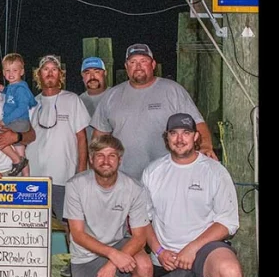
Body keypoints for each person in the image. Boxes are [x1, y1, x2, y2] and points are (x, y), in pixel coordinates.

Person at [142, 113, 246, 277]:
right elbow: (142, 220)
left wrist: (193, 247)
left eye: (186, 133)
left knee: (230, 270)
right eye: (174, 133)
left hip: (203, 249)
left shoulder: (214, 171)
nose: (180, 138)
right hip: (168, 253)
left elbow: (227, 221)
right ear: (166, 138)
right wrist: (159, 250)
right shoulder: (153, 171)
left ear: (196, 136)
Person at [62, 134, 153, 277]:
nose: (106, 161)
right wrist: (113, 255)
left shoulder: (135, 188)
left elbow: (140, 237)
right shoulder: (76, 185)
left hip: (118, 243)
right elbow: (77, 234)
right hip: (86, 252)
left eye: (112, 156)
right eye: (100, 156)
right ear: (91, 159)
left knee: (145, 266)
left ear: (120, 160)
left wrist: (112, 262)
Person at [91, 43, 217, 180]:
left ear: (153, 64)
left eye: (143, 61)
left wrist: (205, 146)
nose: (138, 66)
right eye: (133, 62)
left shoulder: (173, 90)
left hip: (167, 177)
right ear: (126, 67)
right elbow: (99, 138)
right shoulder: (111, 96)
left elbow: (197, 124)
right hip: (123, 178)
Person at [21, 54, 90, 277]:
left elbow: (82, 138)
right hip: (35, 178)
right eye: (45, 70)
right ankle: (30, 264)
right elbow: (23, 136)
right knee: (33, 224)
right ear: (38, 75)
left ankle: (77, 264)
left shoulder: (73, 100)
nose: (50, 73)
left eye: (54, 69)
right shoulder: (32, 102)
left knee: (72, 224)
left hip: (64, 177)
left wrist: (81, 171)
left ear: (61, 74)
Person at [0, 53, 36, 176]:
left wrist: (5, 120)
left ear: (22, 71)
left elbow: (21, 108)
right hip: (19, 122)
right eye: (7, 70)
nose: (11, 74)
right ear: (3, 72)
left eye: (14, 70)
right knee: (21, 152)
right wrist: (3, 89)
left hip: (18, 122)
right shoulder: (13, 86)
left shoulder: (21, 89)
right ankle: (26, 177)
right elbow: (10, 92)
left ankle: (17, 161)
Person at [78, 56, 108, 144]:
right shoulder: (77, 102)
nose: (92, 76)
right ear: (82, 76)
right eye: (87, 73)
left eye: (97, 71)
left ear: (105, 73)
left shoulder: (115, 97)